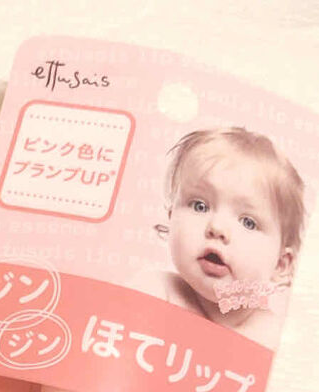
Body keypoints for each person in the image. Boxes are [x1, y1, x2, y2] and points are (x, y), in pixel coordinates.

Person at [130, 127, 306, 347]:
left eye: (248, 222)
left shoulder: (274, 337)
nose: (217, 227)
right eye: (200, 206)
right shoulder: (154, 292)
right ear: (171, 215)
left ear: (281, 265)